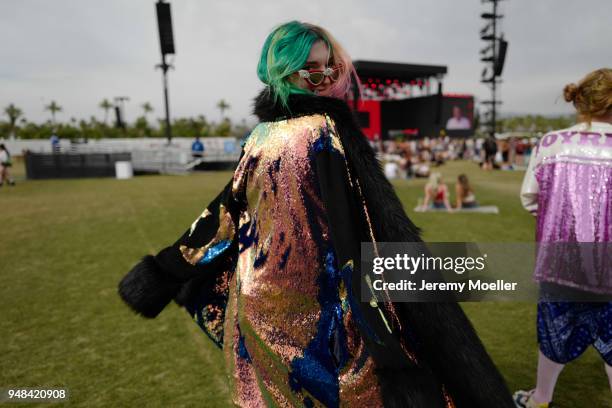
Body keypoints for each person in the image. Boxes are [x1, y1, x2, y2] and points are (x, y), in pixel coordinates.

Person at [118, 21, 513, 407]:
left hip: (257, 308)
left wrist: (167, 270)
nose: (324, 76)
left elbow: (223, 215)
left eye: (331, 67)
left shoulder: (260, 137)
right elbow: (355, 231)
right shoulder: (323, 130)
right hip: (319, 314)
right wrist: (385, 326)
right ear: (285, 69)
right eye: (313, 68)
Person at [516, 68, 612, 408]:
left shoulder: (550, 142)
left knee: (553, 334)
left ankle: (541, 398)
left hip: (560, 264)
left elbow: (530, 198)